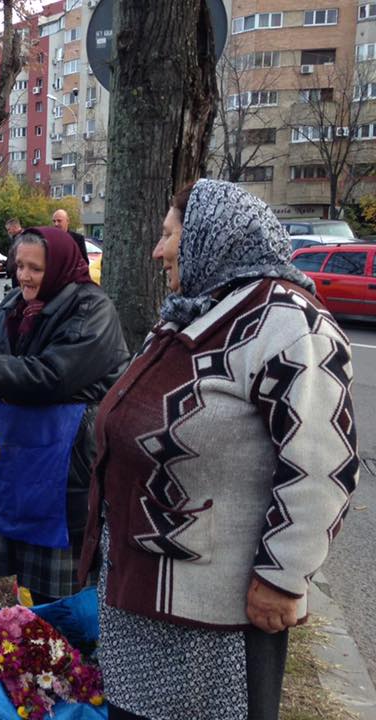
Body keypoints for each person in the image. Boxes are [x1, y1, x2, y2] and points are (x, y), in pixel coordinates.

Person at [78, 179, 359, 720]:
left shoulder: (291, 326)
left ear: (211, 235)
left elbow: (322, 467)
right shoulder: (194, 311)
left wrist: (283, 577)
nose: (157, 251)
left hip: (214, 612)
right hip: (142, 592)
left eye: (168, 235)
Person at [0, 226, 128, 603]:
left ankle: (66, 647)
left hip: (65, 457)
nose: (24, 276)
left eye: (35, 268)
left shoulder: (92, 308)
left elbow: (52, 376)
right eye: (20, 266)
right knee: (21, 553)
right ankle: (27, 634)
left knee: (60, 576)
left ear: (61, 267)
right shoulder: (16, 303)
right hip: (19, 451)